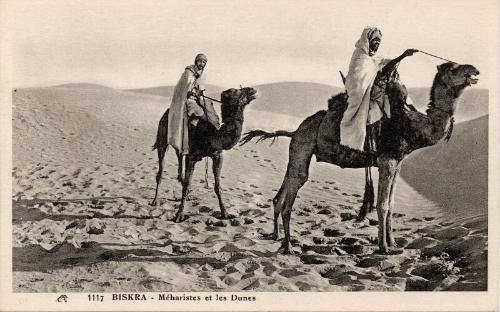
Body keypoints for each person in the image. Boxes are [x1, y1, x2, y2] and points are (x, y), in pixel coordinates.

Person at [340, 26, 418, 151]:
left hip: (376, 91)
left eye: (379, 41)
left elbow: (385, 65)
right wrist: (402, 56)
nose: (377, 43)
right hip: (363, 93)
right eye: (374, 40)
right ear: (367, 41)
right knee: (377, 111)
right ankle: (374, 145)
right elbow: (359, 80)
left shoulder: (375, 59)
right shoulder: (360, 57)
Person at [167, 53, 221, 155]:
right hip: (189, 100)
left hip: (198, 99)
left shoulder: (202, 75)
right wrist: (191, 92)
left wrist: (202, 95)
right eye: (200, 61)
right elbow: (182, 88)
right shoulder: (188, 72)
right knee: (201, 114)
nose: (202, 63)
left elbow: (202, 89)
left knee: (210, 110)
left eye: (204, 62)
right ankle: (193, 131)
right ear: (196, 61)